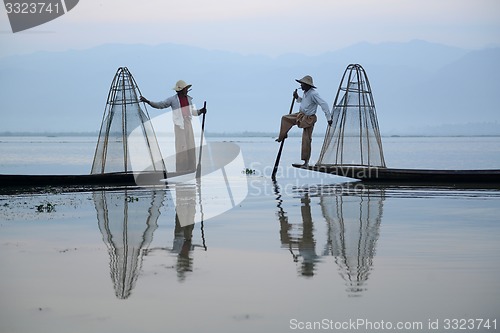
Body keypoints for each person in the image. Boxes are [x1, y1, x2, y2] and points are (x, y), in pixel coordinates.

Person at [140, 80, 206, 172]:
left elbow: (192, 112)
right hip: (179, 125)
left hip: (188, 124)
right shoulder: (172, 100)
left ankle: (191, 168)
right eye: (186, 89)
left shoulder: (188, 99)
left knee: (190, 145)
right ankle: (181, 169)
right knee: (181, 147)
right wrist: (148, 101)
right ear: (181, 90)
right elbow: (160, 105)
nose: (187, 90)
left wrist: (201, 111)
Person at [276, 75, 332, 166]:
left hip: (309, 119)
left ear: (307, 85)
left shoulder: (314, 94)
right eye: (301, 84)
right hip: (300, 115)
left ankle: (306, 161)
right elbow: (303, 102)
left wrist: (328, 118)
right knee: (285, 118)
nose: (301, 85)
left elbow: (324, 104)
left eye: (302, 84)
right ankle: (282, 135)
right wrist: (297, 97)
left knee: (306, 139)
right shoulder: (305, 92)